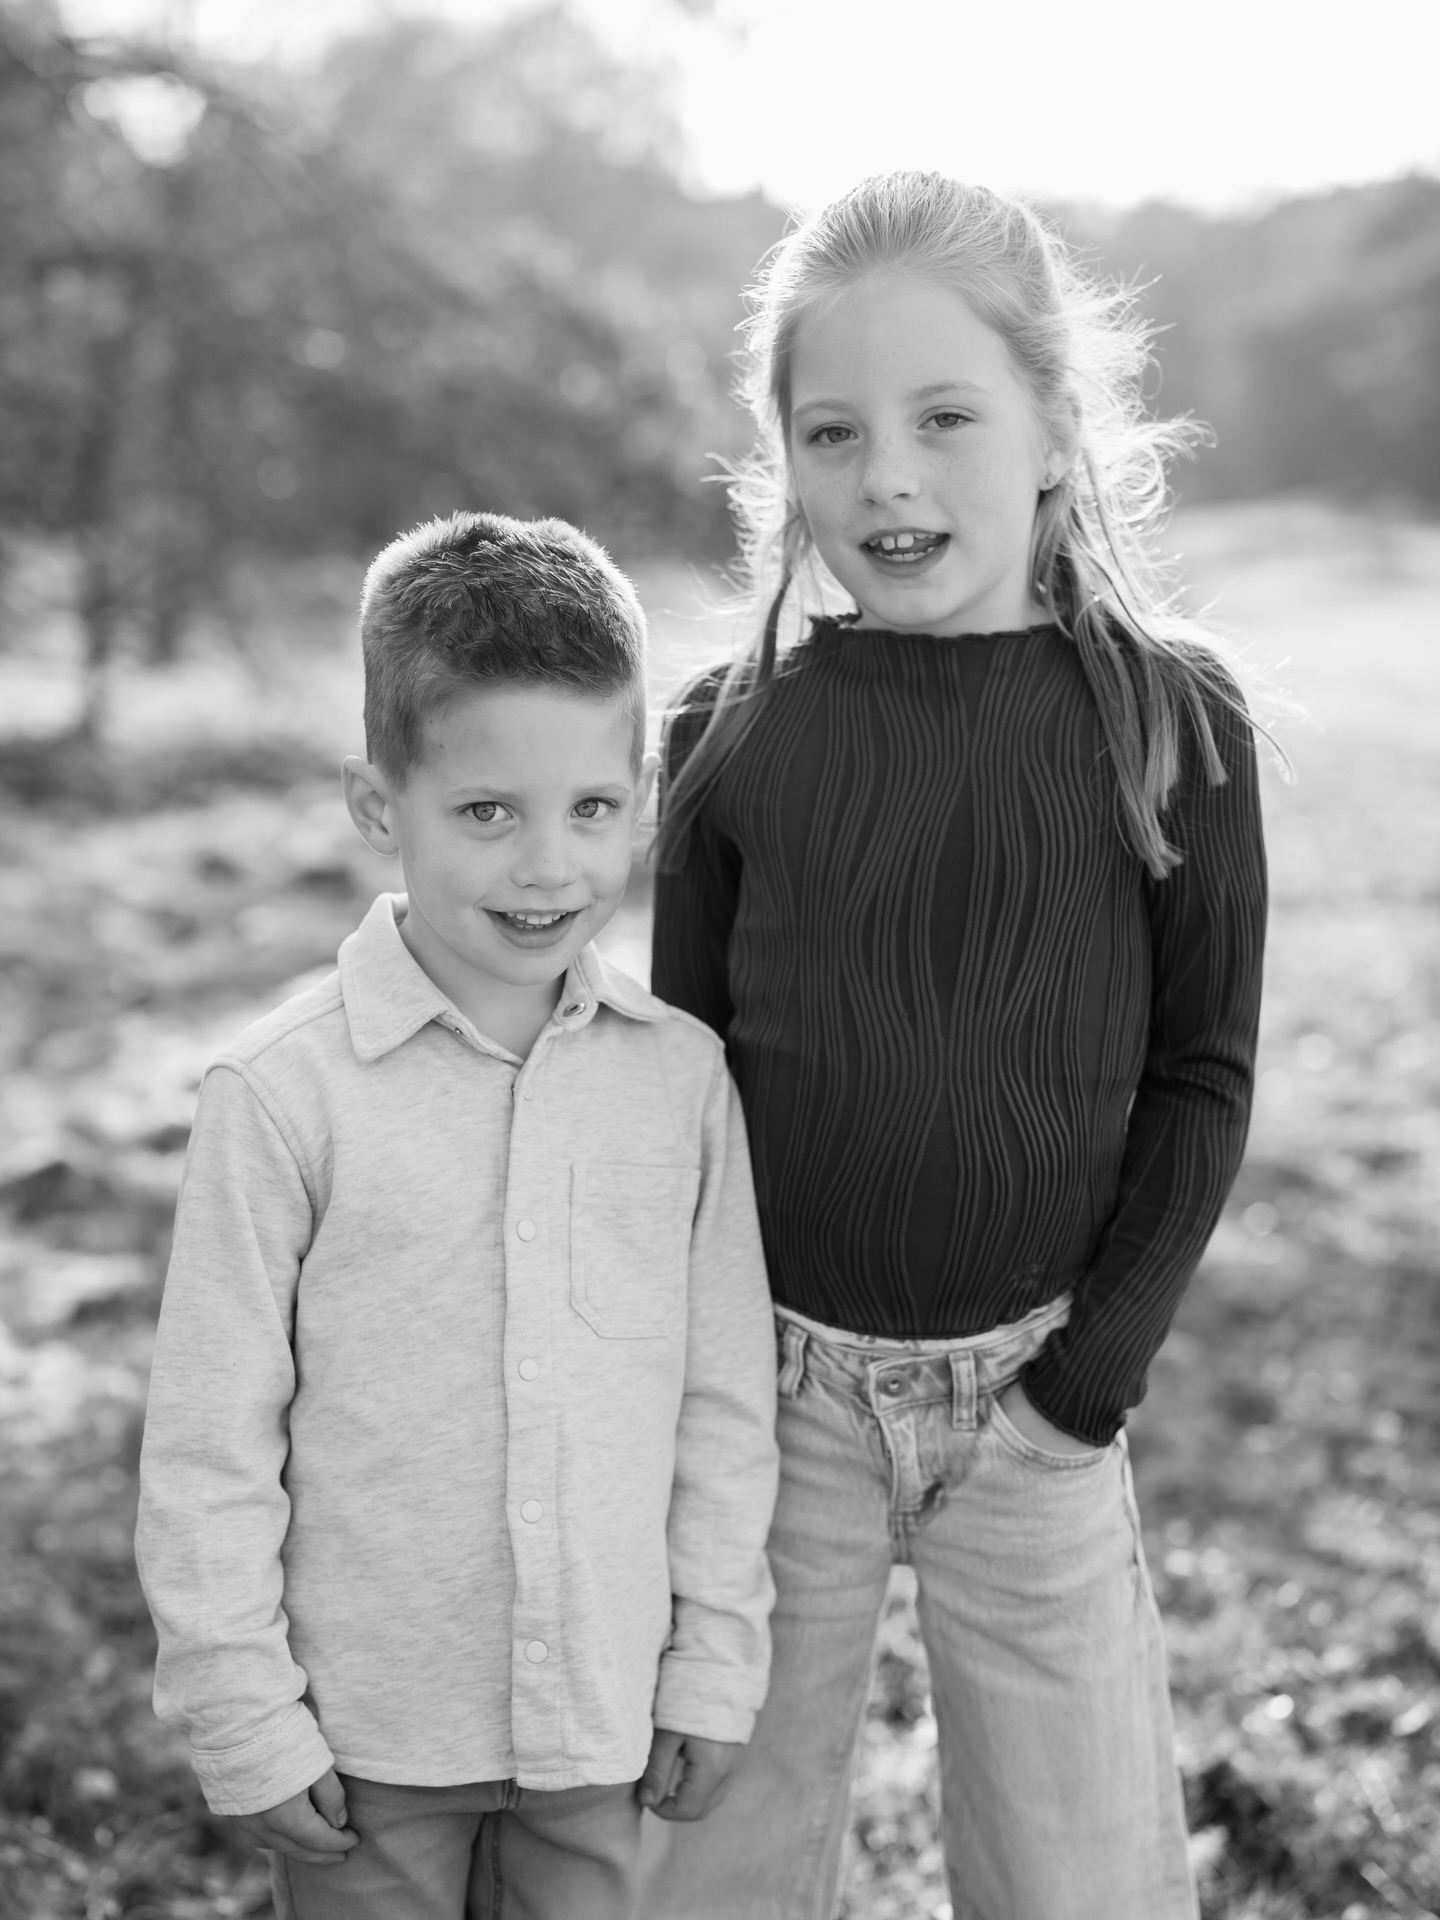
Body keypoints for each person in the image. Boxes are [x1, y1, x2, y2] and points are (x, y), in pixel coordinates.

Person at [643, 173, 1268, 1920]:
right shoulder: (732, 735)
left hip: (1037, 1405)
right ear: (785, 465)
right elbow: (681, 1091)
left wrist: (1086, 1387)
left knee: (1084, 1884)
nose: (887, 477)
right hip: (775, 1408)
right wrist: (697, 1401)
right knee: (709, 1868)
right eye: (832, 432)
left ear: (1056, 431)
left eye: (943, 419)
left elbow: (1202, 1073)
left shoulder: (1164, 713)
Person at [134, 511, 779, 1920]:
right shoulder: (281, 1095)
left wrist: (713, 1664)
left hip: (601, 1726)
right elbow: (207, 1444)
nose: (549, 867)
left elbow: (725, 1406)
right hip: (367, 1742)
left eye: (592, 810)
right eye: (487, 812)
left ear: (644, 795)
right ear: (382, 808)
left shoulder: (680, 1085)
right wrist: (243, 1712)